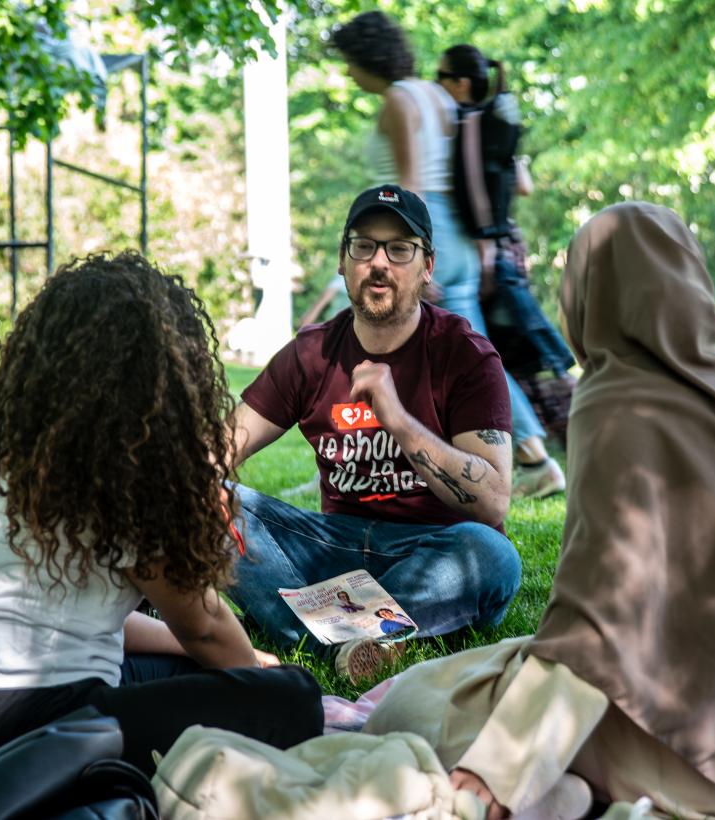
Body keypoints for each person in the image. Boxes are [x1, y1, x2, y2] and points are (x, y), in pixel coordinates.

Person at [363, 202, 715, 818]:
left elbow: (599, 621)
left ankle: (559, 793)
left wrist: (499, 773)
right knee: (493, 662)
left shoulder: (616, 398)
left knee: (407, 707)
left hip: (678, 752)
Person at [0, 252, 324, 775]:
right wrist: (254, 675)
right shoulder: (133, 475)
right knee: (294, 698)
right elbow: (203, 625)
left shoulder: (2, 452)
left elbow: (104, 621)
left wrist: (201, 658)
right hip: (45, 727)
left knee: (179, 667)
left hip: (4, 704)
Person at [227, 184, 522, 681]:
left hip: (436, 554)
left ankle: (307, 630)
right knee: (203, 505)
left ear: (427, 266)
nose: (379, 262)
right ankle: (363, 643)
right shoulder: (311, 354)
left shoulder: (465, 355)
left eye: (399, 249)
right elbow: (223, 446)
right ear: (343, 262)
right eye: (363, 246)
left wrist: (400, 421)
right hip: (331, 555)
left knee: (493, 557)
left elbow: (492, 501)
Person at [332, 11, 564, 499]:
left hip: (423, 227)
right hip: (455, 233)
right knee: (468, 351)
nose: (347, 73)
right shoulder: (435, 93)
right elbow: (466, 171)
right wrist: (476, 243)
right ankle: (532, 455)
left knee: (377, 341)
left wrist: (410, 253)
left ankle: (535, 458)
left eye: (349, 63)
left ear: (365, 58)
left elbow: (409, 184)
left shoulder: (398, 99)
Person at [437, 43, 578, 446]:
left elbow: (478, 192)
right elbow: (523, 185)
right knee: (515, 346)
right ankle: (548, 435)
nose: (437, 86)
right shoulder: (493, 121)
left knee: (504, 349)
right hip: (505, 246)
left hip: (488, 251)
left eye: (442, 77)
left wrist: (485, 249)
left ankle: (546, 438)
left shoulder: (467, 124)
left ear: (461, 83)